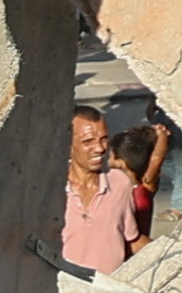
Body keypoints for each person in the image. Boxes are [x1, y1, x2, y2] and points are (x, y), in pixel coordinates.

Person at [60, 98, 172, 275]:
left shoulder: (120, 183)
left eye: (104, 139)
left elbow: (132, 240)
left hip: (110, 292)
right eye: (88, 141)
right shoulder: (53, 191)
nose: (99, 148)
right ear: (68, 143)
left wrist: (172, 253)